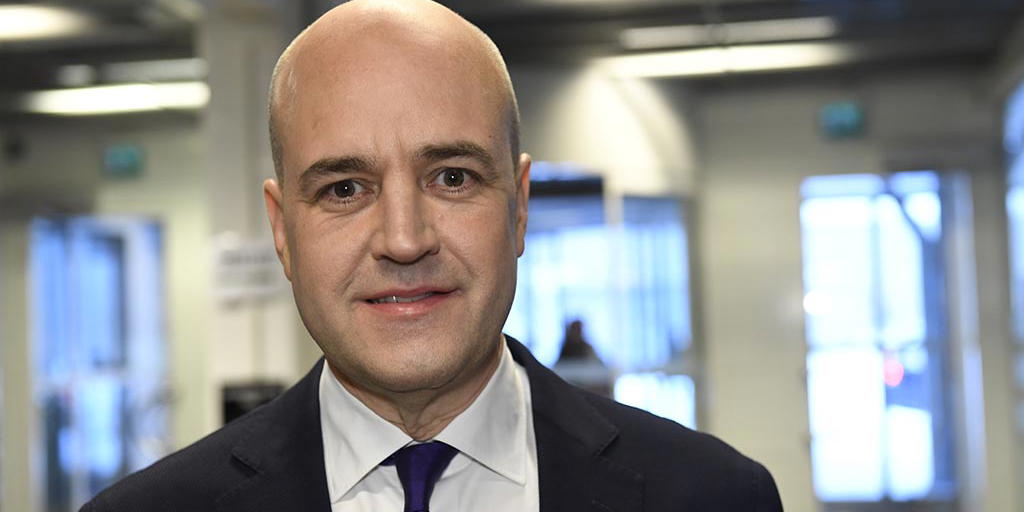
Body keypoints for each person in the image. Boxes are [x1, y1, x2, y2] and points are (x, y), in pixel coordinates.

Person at [81, 0, 783, 510]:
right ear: (282, 231)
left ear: (519, 207)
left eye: (452, 177)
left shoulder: (714, 496)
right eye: (344, 188)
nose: (404, 239)